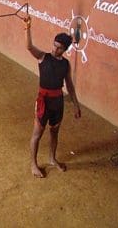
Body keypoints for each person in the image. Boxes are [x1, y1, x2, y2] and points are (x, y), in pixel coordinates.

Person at [23, 17, 81, 178]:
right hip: (43, 102)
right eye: (54, 46)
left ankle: (51, 158)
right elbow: (29, 46)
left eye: (60, 48)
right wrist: (28, 27)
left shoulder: (65, 64)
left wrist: (76, 105)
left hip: (58, 103)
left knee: (54, 132)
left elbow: (69, 85)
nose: (55, 50)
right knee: (37, 134)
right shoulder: (43, 57)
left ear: (65, 49)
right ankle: (33, 164)